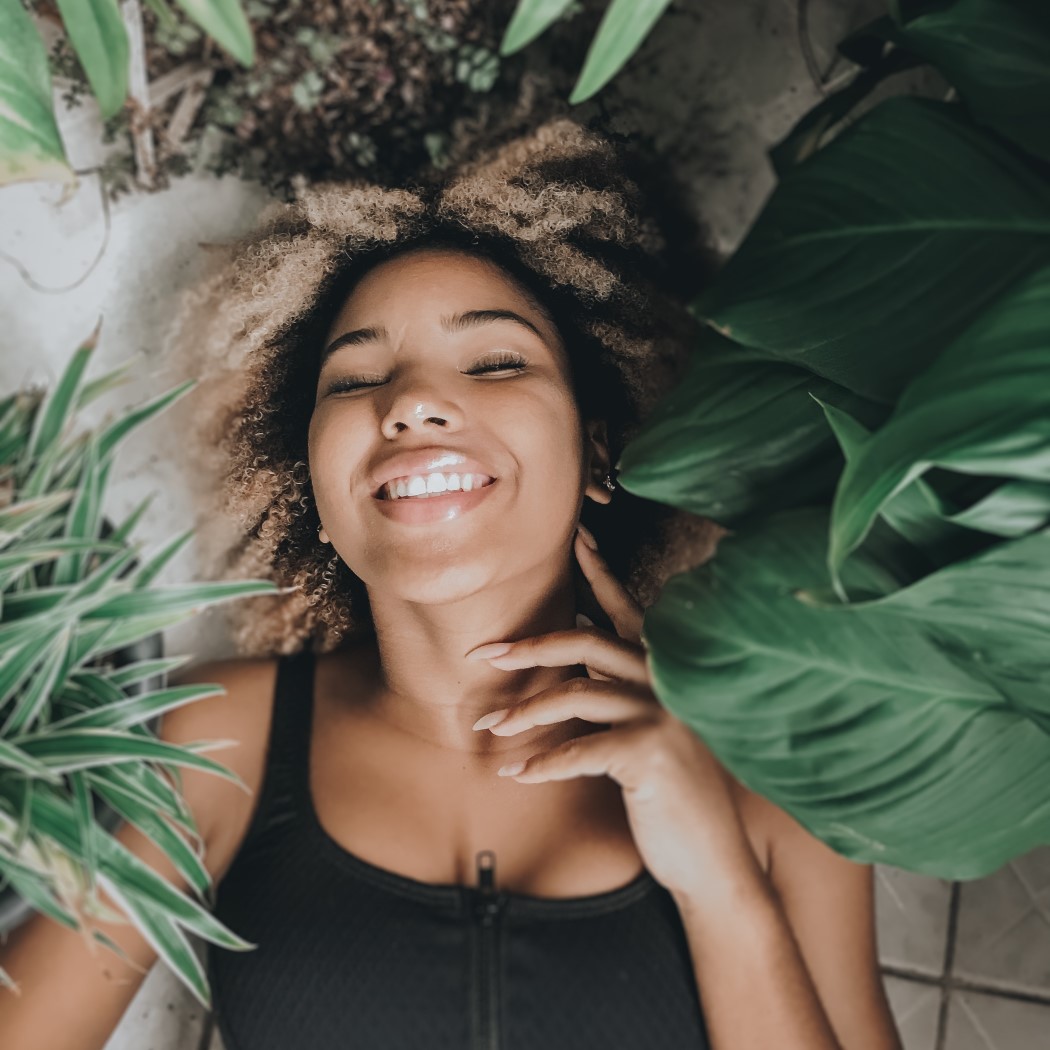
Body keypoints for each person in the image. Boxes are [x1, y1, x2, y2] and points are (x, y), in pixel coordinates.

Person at [0, 118, 903, 1050]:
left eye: (496, 361)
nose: (412, 403)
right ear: (311, 486)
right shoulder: (221, 742)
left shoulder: (777, 771)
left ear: (598, 450)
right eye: (355, 381)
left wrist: (719, 878)